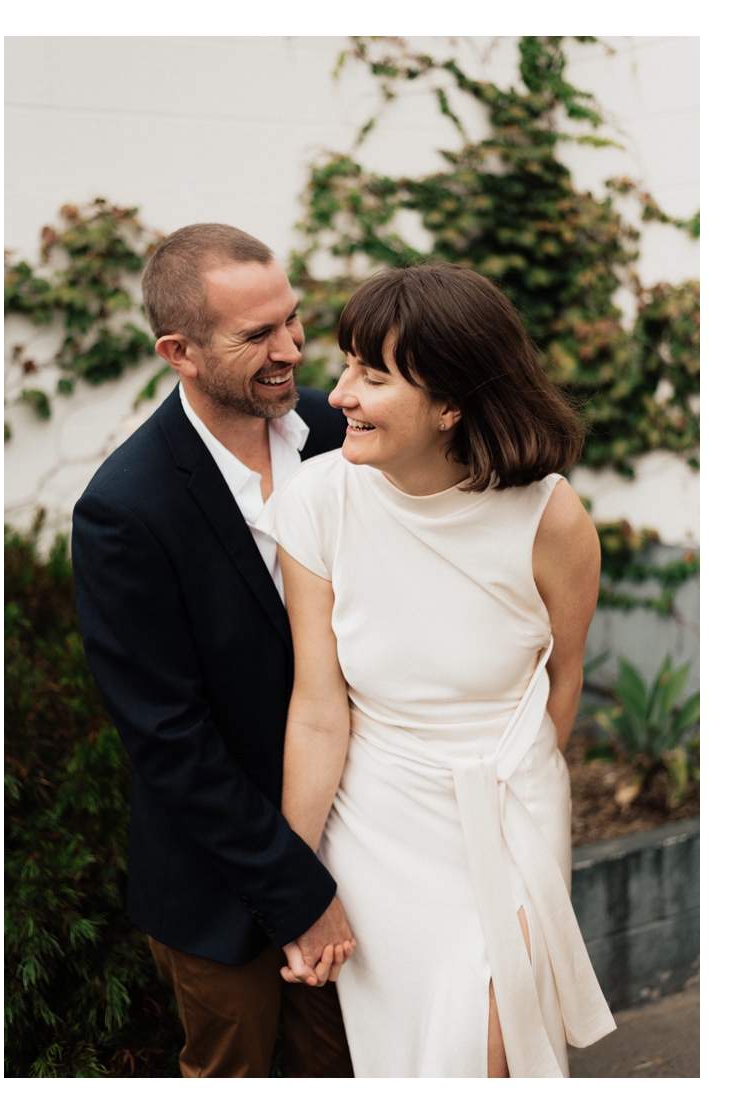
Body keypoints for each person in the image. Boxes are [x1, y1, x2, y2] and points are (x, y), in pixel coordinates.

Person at [262, 262, 616, 1076]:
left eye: (372, 375)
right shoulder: (317, 502)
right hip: (377, 822)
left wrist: (519, 789)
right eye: (347, 364)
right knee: (414, 1058)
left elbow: (563, 682)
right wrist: (293, 883)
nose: (340, 393)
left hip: (507, 809)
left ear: (453, 402)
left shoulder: (550, 516)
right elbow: (318, 707)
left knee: (494, 1045)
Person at [72, 224, 356, 1078]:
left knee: (357, 1072)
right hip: (221, 882)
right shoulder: (125, 508)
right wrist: (297, 894)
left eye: (293, 320)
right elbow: (170, 739)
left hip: (367, 840)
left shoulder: (337, 432)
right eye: (256, 336)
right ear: (179, 351)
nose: (291, 350)